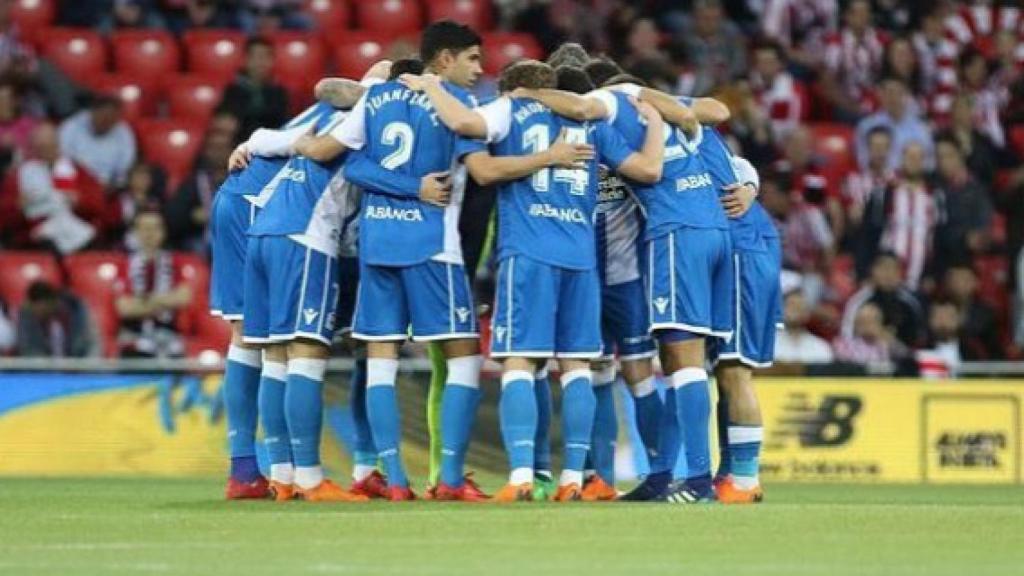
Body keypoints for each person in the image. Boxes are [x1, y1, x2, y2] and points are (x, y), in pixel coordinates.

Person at [403, 59, 665, 501]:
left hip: (529, 255)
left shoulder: (509, 109)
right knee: (578, 365)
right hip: (581, 260)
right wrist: (656, 122)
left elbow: (479, 159)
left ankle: (523, 476)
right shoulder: (589, 124)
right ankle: (572, 481)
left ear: (513, 88)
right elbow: (646, 169)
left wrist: (431, 85)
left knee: (520, 362)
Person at [292, 21, 489, 502]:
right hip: (432, 246)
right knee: (464, 356)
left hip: (376, 245)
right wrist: (418, 188)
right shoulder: (460, 104)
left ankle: (395, 479)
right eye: (472, 60)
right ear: (443, 59)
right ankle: (450, 478)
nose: (479, 70)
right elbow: (478, 164)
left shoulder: (374, 99)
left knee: (381, 359)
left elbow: (351, 163)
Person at [210, 80, 370, 501]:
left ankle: (265, 470)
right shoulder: (360, 119)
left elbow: (263, 136)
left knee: (264, 342)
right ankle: (291, 474)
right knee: (284, 343)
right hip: (272, 210)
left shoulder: (331, 113)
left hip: (253, 199)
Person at [114, 211, 192, 358]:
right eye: (144, 228)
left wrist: (145, 300)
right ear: (136, 232)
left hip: (169, 335)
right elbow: (124, 308)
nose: (149, 234)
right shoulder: (124, 264)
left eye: (155, 228)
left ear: (163, 232)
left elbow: (184, 298)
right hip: (134, 336)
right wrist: (165, 302)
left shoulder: (175, 262)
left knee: (176, 352)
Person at [841, 251, 925, 349]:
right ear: (872, 271)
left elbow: (918, 340)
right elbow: (846, 336)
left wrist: (890, 341)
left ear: (900, 274)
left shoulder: (910, 303)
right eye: (883, 268)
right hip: (863, 358)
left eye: (893, 268)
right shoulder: (858, 301)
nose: (888, 273)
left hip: (900, 360)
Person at [854, 75, 934, 171]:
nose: (894, 98)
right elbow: (863, 161)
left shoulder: (921, 128)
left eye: (899, 93)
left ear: (907, 95)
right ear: (880, 95)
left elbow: (929, 162)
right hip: (877, 181)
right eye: (889, 92)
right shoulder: (866, 126)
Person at [58, 94, 137, 189]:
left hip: (109, 188)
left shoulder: (124, 133)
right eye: (104, 118)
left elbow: (124, 169)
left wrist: (113, 184)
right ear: (93, 111)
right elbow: (63, 160)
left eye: (112, 120)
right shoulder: (71, 127)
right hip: (77, 184)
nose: (106, 123)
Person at [220, 38, 289, 140]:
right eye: (256, 57)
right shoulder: (233, 90)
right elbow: (229, 122)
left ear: (272, 61)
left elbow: (282, 123)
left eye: (266, 57)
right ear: (245, 60)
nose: (260, 62)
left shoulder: (279, 92)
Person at [16, 281, 101, 358]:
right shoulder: (27, 316)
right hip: (43, 371)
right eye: (33, 308)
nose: (36, 312)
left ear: (49, 301)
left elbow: (92, 344)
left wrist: (85, 369)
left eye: (39, 308)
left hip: (78, 369)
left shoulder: (77, 310)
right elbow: (29, 350)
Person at [774, 289, 834, 364]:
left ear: (807, 314)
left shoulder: (821, 348)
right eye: (791, 305)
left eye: (800, 306)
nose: (795, 310)